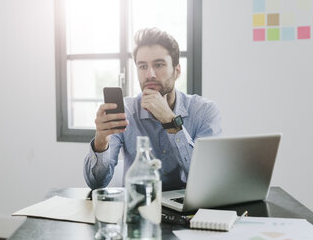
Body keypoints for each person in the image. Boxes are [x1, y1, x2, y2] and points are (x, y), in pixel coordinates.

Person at [84, 28, 221, 191]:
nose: (150, 74)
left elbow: (206, 178)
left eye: (159, 64)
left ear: (177, 71)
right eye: (142, 66)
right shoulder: (125, 111)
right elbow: (96, 183)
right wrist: (101, 141)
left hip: (187, 210)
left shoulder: (204, 111)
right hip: (138, 207)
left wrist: (171, 122)